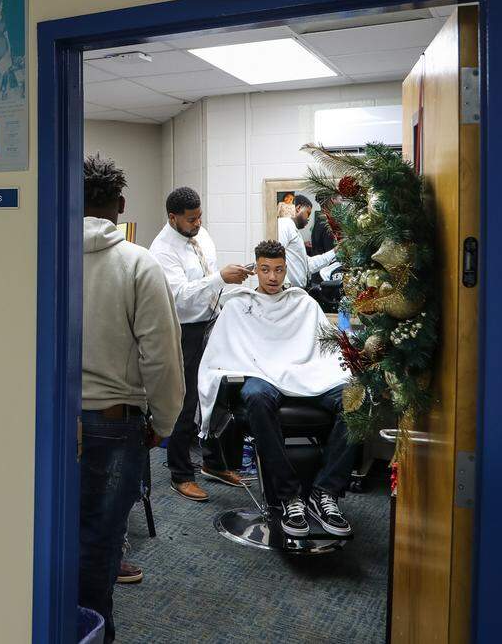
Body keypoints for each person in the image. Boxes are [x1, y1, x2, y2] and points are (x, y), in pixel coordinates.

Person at [81, 154, 183, 643]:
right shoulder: (138, 263)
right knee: (99, 544)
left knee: (44, 537)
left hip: (45, 423)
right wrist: (164, 423)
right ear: (120, 206)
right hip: (112, 424)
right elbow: (161, 358)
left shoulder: (39, 257)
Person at [197, 240, 357, 538]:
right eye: (265, 269)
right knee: (256, 396)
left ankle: (325, 492)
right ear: (255, 269)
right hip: (262, 376)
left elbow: (326, 349)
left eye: (279, 270)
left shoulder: (303, 303)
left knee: (353, 399)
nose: (272, 277)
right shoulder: (238, 305)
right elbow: (219, 356)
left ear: (286, 269)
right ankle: (289, 495)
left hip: (306, 374)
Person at [148, 187, 250, 501]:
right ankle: (180, 474)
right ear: (172, 218)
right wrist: (220, 278)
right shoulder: (162, 250)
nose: (198, 223)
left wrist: (229, 285)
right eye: (191, 219)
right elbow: (180, 295)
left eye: (199, 216)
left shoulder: (201, 236)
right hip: (184, 331)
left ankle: (214, 463)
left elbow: (207, 281)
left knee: (218, 395)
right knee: (186, 401)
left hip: (212, 322)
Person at [278, 195, 336, 289]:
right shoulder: (284, 224)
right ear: (298, 208)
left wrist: (334, 252)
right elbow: (276, 257)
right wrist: (286, 285)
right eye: (307, 213)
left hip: (296, 290)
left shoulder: (293, 229)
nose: (308, 219)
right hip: (288, 291)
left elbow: (308, 264)